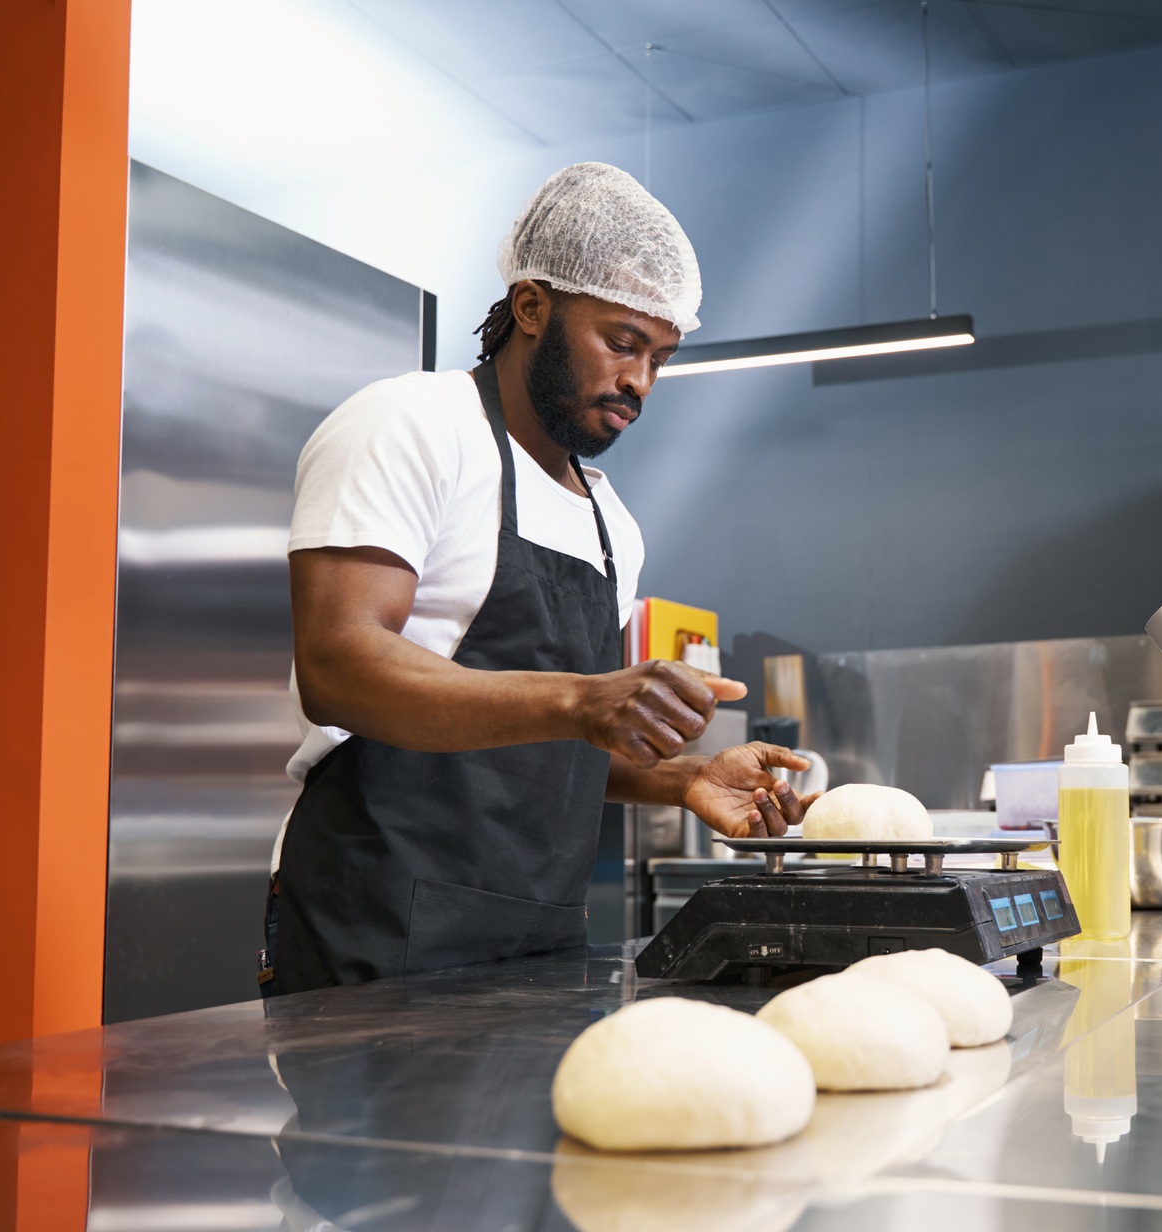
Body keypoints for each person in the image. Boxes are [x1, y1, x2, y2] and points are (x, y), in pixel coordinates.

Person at [260, 163, 814, 995]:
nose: (639, 382)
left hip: (536, 938)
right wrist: (585, 699)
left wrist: (680, 775)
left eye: (660, 357)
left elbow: (553, 744)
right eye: (622, 342)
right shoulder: (412, 426)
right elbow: (337, 665)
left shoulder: (611, 522)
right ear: (531, 307)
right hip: (375, 922)